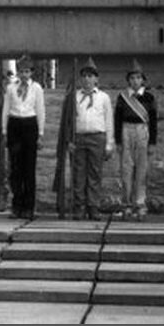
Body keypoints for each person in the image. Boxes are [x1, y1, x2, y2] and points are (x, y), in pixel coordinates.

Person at [1, 54, 45, 219]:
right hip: (14, 124)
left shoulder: (37, 88)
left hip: (30, 124)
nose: (24, 74)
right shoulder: (11, 88)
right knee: (16, 168)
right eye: (22, 71)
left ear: (31, 72)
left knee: (29, 168)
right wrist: (4, 130)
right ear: (18, 72)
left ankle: (29, 207)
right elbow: (6, 109)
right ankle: (16, 205)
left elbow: (40, 110)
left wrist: (40, 133)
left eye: (27, 71)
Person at [114, 59, 157, 221]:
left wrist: (152, 142)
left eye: (138, 78)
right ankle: (126, 204)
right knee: (126, 170)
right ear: (128, 80)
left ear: (143, 80)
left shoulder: (149, 97)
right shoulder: (122, 97)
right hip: (126, 130)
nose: (135, 81)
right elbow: (117, 119)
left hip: (142, 131)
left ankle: (139, 204)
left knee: (141, 170)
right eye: (132, 78)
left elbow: (153, 121)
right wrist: (118, 140)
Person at [71, 57, 114, 221]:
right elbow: (70, 121)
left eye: (90, 76)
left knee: (95, 173)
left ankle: (93, 206)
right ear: (80, 79)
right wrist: (70, 141)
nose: (87, 79)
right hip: (79, 138)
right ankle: (80, 206)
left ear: (96, 79)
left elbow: (108, 121)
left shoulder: (103, 98)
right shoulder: (75, 97)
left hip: (97, 138)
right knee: (79, 173)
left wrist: (109, 144)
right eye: (84, 76)